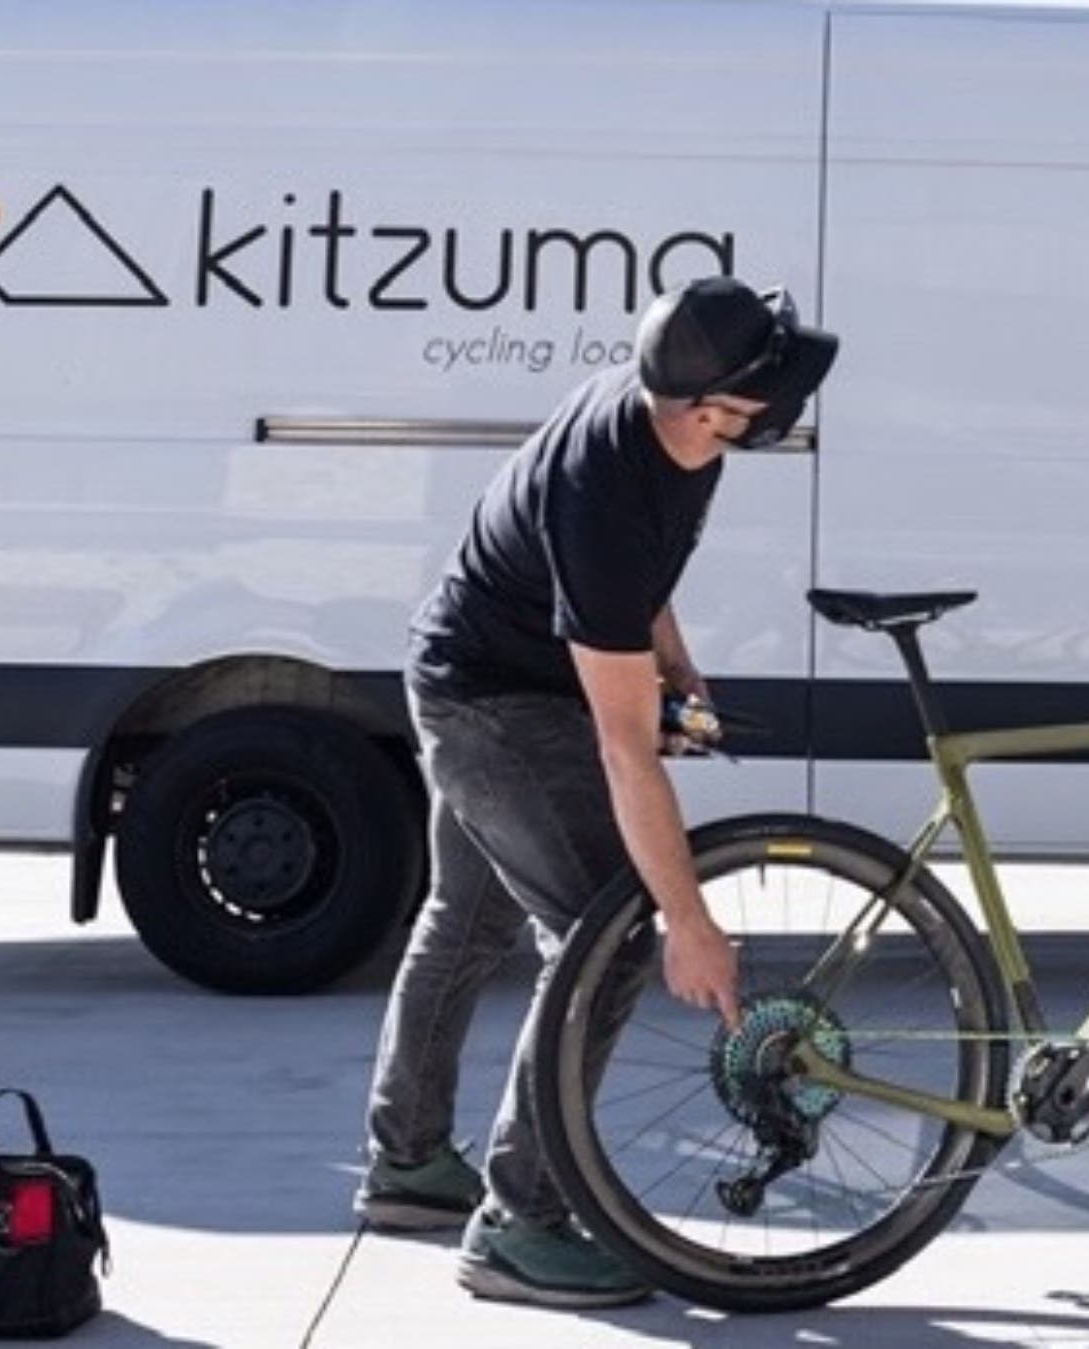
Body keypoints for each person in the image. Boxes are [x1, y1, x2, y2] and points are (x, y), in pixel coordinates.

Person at [350, 276, 839, 1308]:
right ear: (713, 407)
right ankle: (522, 1221)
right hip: (492, 701)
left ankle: (407, 1166)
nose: (789, 403)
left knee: (467, 918)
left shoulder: (675, 429)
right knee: (604, 941)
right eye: (772, 390)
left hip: (489, 668)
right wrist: (686, 919)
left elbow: (638, 581)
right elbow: (625, 753)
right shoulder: (609, 481)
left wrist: (676, 663)